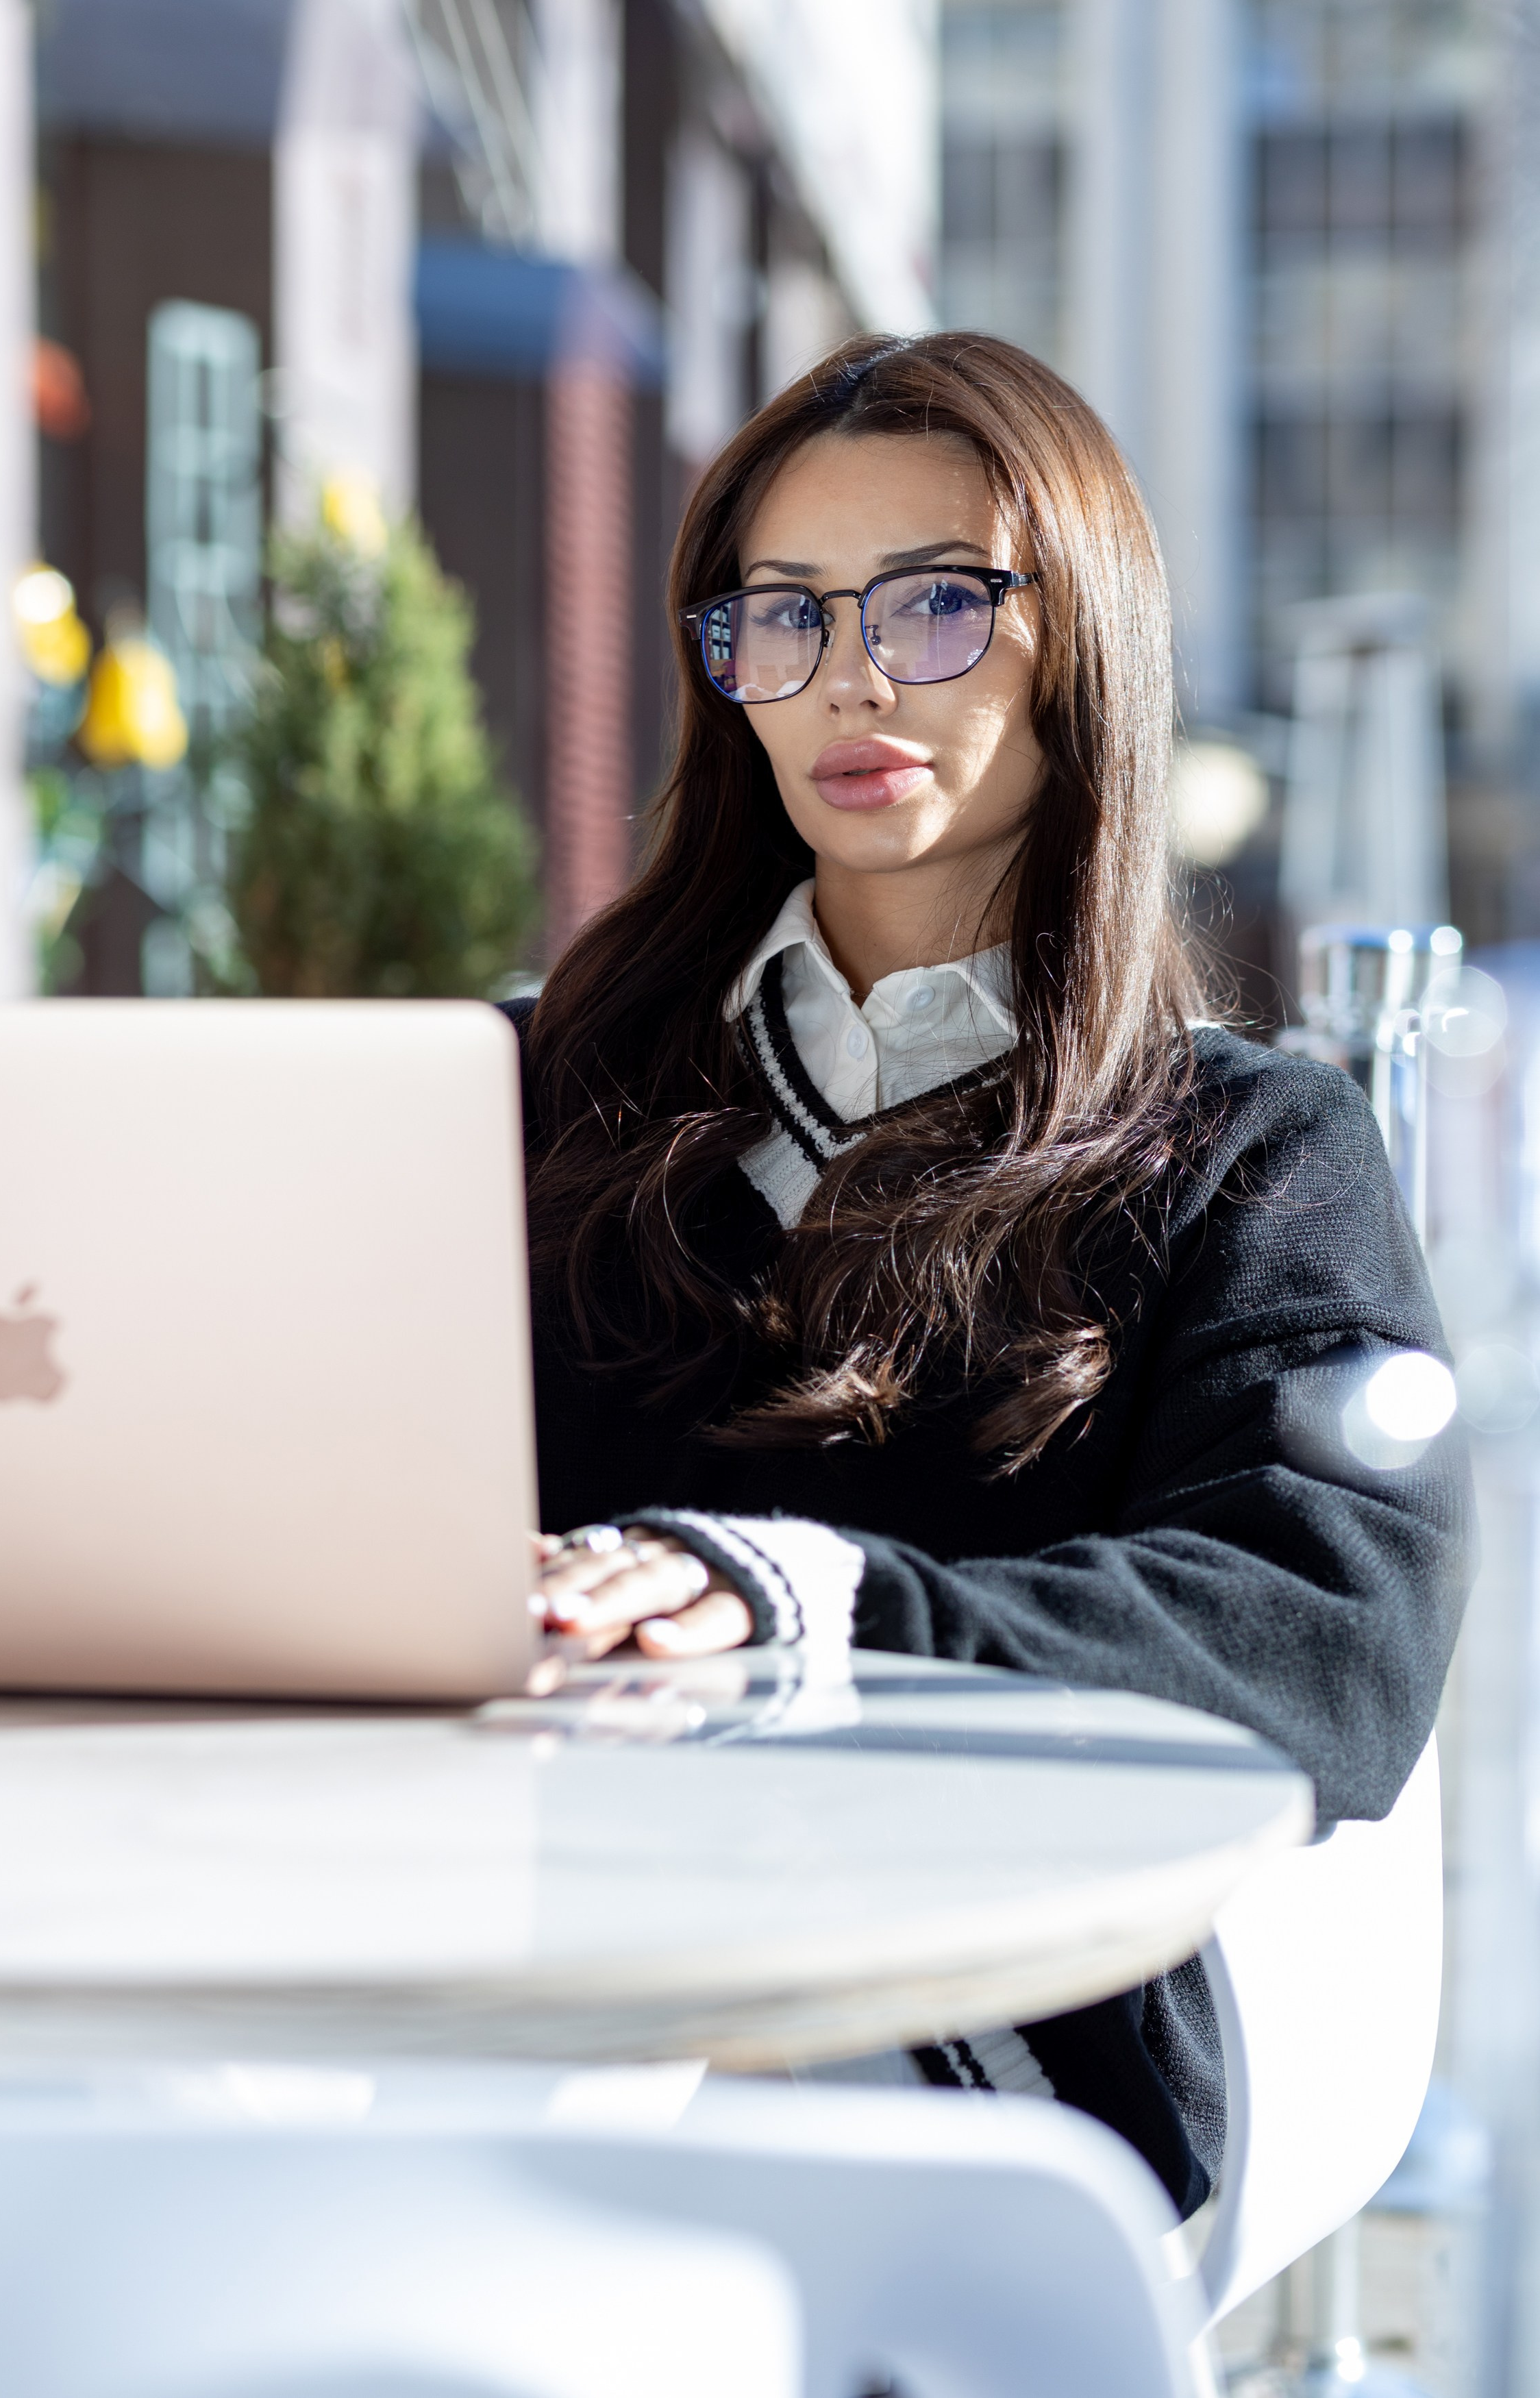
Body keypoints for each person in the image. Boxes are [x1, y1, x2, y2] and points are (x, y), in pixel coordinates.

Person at [504, 332, 1471, 2216]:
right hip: (493, 1967)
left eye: (938, 601)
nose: (853, 674)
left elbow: (1324, 1632)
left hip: (974, 2059)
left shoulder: (1244, 1147)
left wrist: (818, 1604)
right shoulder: (528, 1095)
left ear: (1081, 639)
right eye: (782, 613)